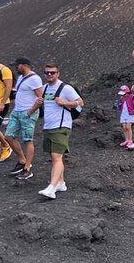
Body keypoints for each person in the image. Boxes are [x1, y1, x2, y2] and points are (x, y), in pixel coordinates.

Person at [38, 63, 83, 199]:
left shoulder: (65, 88)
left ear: (58, 73)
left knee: (56, 157)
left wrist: (64, 102)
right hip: (48, 126)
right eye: (47, 73)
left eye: (52, 72)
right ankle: (61, 183)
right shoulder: (44, 88)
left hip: (61, 126)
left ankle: (51, 187)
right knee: (53, 157)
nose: (49, 75)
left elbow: (80, 102)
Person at [4, 57, 43, 180]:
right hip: (17, 111)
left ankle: (27, 168)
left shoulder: (35, 79)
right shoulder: (21, 78)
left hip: (28, 112)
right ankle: (22, 160)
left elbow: (40, 98)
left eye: (17, 65)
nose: (15, 68)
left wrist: (30, 111)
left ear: (25, 65)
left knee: (27, 140)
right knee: (8, 136)